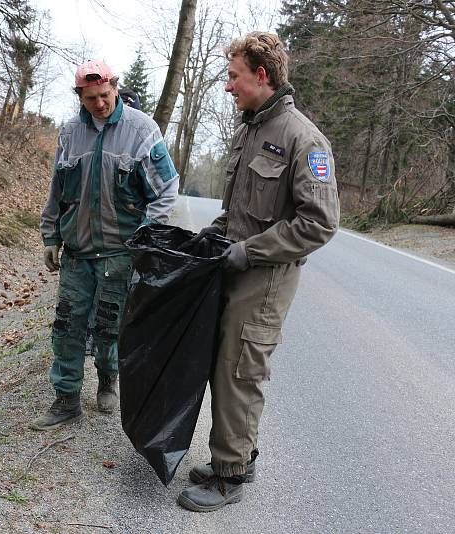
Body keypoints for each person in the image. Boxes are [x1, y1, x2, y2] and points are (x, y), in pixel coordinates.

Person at [177, 32, 340, 512]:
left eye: (234, 77)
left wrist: (251, 251)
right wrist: (215, 233)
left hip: (266, 277)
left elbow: (320, 223)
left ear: (262, 76)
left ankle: (229, 478)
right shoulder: (252, 129)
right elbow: (241, 208)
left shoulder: (303, 138)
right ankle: (236, 455)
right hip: (234, 267)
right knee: (222, 366)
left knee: (239, 371)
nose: (228, 87)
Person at [33, 60, 179, 431]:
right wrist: (51, 235)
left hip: (119, 252)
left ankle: (108, 380)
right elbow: (57, 189)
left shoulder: (142, 130)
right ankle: (66, 399)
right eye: (90, 98)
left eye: (104, 95)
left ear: (115, 87)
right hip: (77, 252)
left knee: (109, 325)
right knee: (67, 326)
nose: (99, 104)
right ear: (80, 97)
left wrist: (144, 235)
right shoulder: (69, 133)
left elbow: (165, 190)